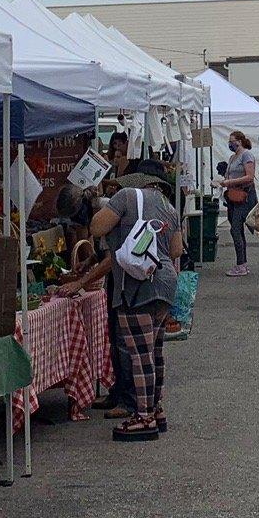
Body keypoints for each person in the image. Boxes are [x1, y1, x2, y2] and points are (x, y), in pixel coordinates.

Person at [55, 157, 182, 441]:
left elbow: (97, 228)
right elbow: (176, 250)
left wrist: (105, 211)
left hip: (137, 288)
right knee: (155, 352)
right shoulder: (169, 207)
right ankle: (156, 409)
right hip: (164, 284)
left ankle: (144, 417)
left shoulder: (126, 197)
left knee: (138, 355)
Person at [218, 131, 258, 276]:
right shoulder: (232, 157)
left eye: (232, 141)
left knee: (235, 228)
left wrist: (229, 182)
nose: (230, 143)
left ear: (239, 141)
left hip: (244, 196)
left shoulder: (246, 155)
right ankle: (242, 263)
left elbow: (249, 176)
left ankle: (241, 264)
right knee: (237, 229)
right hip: (232, 196)